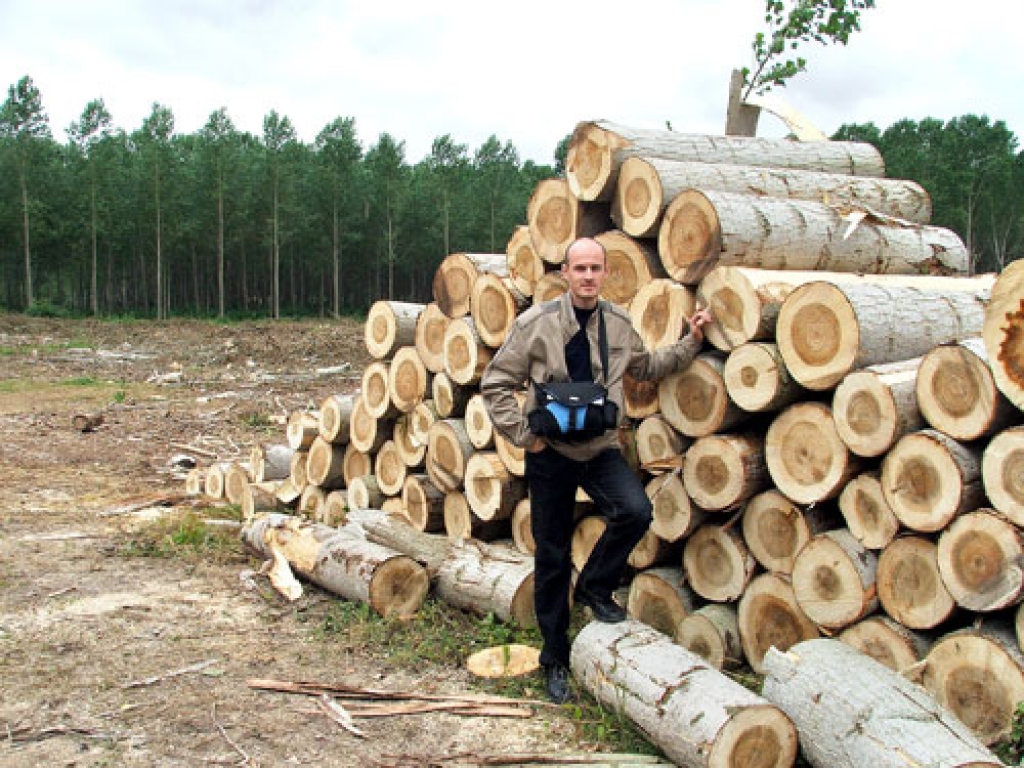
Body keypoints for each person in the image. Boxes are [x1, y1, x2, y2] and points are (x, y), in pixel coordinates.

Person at [480, 236, 712, 703]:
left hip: (601, 447)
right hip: (550, 454)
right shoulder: (536, 324)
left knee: (635, 512)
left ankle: (593, 586)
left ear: (606, 273)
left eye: (595, 268)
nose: (587, 276)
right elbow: (496, 384)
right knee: (552, 556)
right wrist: (528, 436)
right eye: (579, 268)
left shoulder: (619, 323)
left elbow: (646, 366)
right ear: (565, 273)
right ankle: (555, 657)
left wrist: (692, 342)